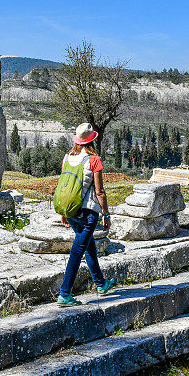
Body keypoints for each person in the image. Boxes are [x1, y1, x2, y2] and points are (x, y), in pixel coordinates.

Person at [57, 123, 117, 307]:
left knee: (88, 244)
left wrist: (65, 212)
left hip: (71, 210)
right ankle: (64, 293)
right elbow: (100, 192)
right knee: (78, 250)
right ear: (93, 140)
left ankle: (100, 284)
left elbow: (64, 185)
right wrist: (106, 214)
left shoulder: (67, 157)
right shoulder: (94, 160)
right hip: (88, 212)